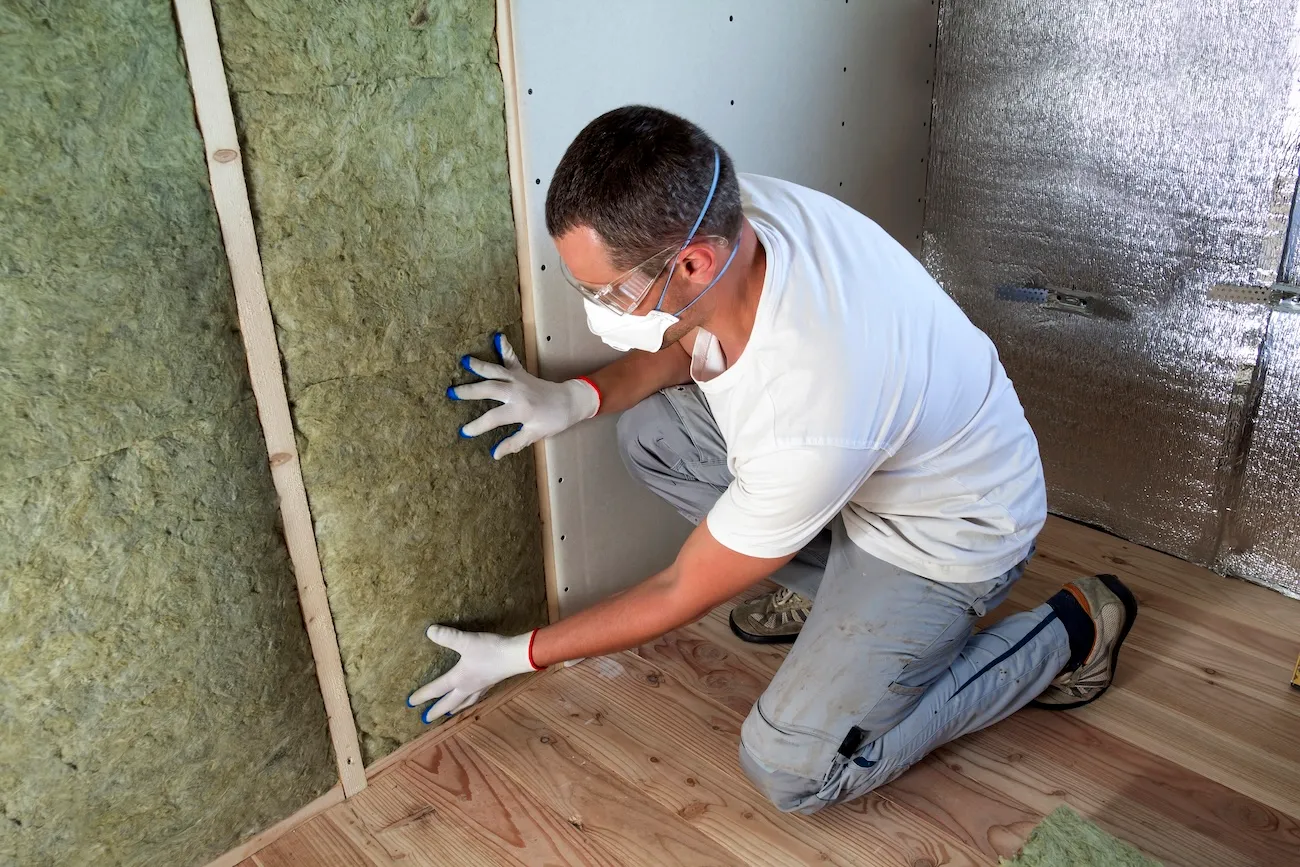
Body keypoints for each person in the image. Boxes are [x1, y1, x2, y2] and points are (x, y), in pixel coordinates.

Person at [407, 106, 1138, 812]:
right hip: (870, 472)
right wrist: (578, 399)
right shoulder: (724, 205)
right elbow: (686, 335)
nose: (598, 304)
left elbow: (675, 592)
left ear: (694, 261)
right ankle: (845, 611)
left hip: (950, 534)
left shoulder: (811, 405)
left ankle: (1070, 629)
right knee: (652, 432)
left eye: (607, 290)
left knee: (795, 767)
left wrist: (520, 654)